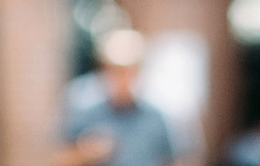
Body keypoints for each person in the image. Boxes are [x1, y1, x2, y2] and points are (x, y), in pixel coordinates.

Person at [55, 30, 178, 166]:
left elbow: (176, 159)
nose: (122, 79)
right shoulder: (85, 112)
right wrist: (85, 153)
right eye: (116, 71)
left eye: (128, 71)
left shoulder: (156, 118)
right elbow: (58, 159)